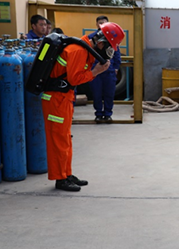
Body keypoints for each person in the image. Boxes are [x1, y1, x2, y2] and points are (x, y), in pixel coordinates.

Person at [42, 22, 125, 191]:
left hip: (63, 98)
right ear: (101, 43)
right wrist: (96, 71)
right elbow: (75, 79)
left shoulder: (84, 49)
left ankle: (66, 174)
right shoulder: (78, 50)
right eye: (109, 46)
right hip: (56, 100)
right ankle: (60, 179)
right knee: (59, 140)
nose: (109, 51)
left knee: (66, 139)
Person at [89, 16, 122, 123]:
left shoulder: (112, 37)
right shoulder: (92, 38)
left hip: (109, 70)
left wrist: (116, 67)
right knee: (97, 93)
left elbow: (116, 53)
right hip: (95, 70)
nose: (101, 25)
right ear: (96, 24)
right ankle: (98, 114)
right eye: (100, 23)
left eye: (104, 23)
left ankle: (108, 114)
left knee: (109, 93)